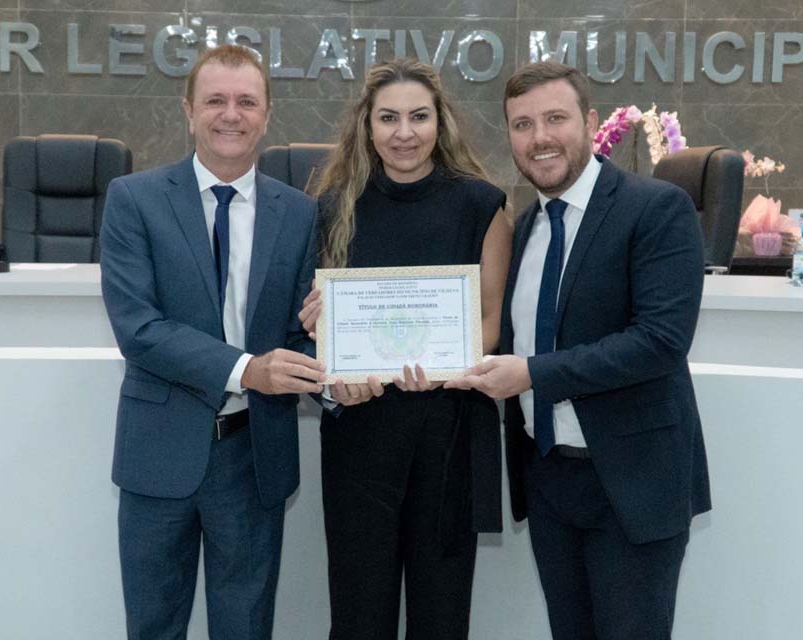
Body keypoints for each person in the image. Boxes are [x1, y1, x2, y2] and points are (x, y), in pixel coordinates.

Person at [446, 61, 712, 639]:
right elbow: (498, 332)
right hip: (549, 483)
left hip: (631, 485)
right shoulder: (524, 228)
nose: (539, 137)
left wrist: (532, 376)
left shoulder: (656, 209)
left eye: (555, 118)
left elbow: (660, 342)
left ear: (590, 122)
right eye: (522, 124)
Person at [99, 44, 326, 639]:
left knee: (246, 628)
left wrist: (335, 374)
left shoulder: (301, 214)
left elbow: (300, 335)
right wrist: (249, 370)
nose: (232, 114)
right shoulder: (134, 199)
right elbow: (139, 330)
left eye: (247, 101)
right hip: (159, 454)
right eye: (216, 101)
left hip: (254, 458)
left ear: (267, 114)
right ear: (188, 110)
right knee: (154, 626)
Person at [298, 58, 512, 639]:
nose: (404, 132)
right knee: (358, 615)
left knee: (441, 617)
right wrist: (323, 338)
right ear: (366, 126)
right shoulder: (332, 207)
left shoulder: (481, 204)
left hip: (448, 433)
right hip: (360, 436)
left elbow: (491, 323)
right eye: (388, 118)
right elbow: (314, 329)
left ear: (440, 123)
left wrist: (446, 369)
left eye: (419, 116)